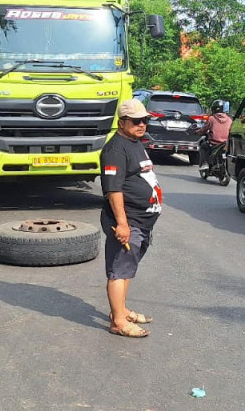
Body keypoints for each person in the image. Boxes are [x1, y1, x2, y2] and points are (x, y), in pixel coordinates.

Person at [99, 98, 163, 338]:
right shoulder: (116, 149)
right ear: (121, 122)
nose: (142, 125)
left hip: (142, 221)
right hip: (128, 221)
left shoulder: (135, 142)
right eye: (136, 121)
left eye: (145, 120)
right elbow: (114, 189)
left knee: (128, 268)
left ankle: (122, 309)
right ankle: (118, 321)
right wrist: (123, 224)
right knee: (119, 269)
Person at [197, 100, 233, 174]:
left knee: (203, 146)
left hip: (214, 142)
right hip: (226, 143)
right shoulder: (229, 120)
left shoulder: (211, 119)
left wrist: (198, 132)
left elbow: (204, 129)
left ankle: (205, 163)